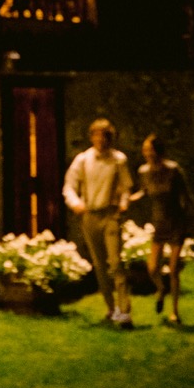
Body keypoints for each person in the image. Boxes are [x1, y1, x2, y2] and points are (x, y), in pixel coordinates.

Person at [128, 134, 194, 327]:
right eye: (145, 150)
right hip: (159, 223)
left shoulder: (173, 170)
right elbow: (144, 190)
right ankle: (161, 289)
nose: (146, 153)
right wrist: (130, 198)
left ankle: (175, 311)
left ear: (158, 151)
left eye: (149, 149)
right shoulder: (143, 171)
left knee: (173, 270)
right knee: (152, 268)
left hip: (176, 221)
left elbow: (187, 196)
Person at [63, 117, 134, 327]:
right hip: (90, 215)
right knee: (100, 265)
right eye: (97, 136)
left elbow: (126, 187)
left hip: (110, 214)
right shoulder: (83, 160)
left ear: (110, 138)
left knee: (116, 262)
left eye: (105, 137)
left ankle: (124, 311)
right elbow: (69, 186)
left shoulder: (118, 159)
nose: (101, 140)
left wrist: (123, 203)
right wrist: (75, 203)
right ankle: (111, 308)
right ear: (92, 137)